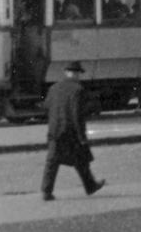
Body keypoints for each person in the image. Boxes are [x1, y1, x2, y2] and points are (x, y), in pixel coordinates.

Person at [41, 62, 106, 201]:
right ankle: (90, 186)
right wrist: (82, 136)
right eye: (78, 74)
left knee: (52, 161)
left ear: (66, 73)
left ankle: (46, 191)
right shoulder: (78, 90)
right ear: (76, 74)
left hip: (55, 131)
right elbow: (77, 115)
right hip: (70, 131)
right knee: (81, 159)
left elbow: (46, 107)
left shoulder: (54, 88)